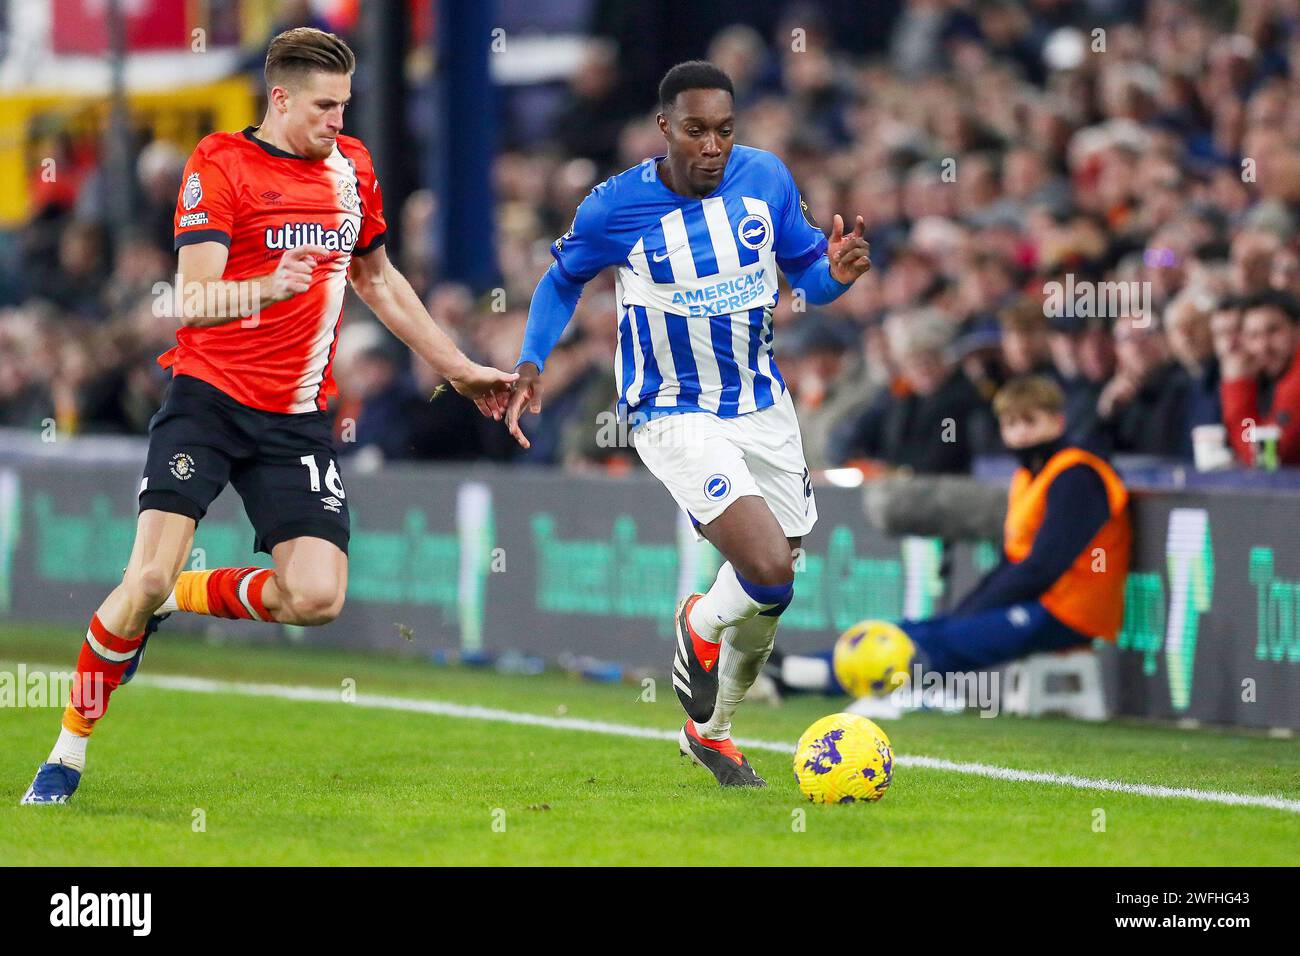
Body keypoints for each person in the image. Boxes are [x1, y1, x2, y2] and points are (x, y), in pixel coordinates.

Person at [21, 28, 516, 805]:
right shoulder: (219, 163)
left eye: (345, 106)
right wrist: (264, 288)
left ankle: (180, 596)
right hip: (208, 400)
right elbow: (189, 299)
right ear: (279, 98)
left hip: (294, 419)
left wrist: (454, 366)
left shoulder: (352, 167)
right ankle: (68, 750)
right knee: (139, 573)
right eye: (324, 106)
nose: (336, 122)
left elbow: (378, 279)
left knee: (316, 598)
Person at [504, 62, 871, 786]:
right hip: (672, 408)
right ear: (665, 127)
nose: (713, 146)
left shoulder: (765, 178)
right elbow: (561, 280)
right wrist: (531, 360)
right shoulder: (615, 208)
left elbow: (808, 276)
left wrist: (839, 274)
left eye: (725, 131)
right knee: (764, 565)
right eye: (697, 130)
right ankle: (698, 625)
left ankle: (713, 733)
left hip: (762, 403)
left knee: (776, 585)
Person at [779, 375, 1131, 693]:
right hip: (1039, 600)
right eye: (1011, 424)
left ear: (1058, 422)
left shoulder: (1077, 476)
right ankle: (799, 671)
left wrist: (979, 609)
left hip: (1071, 611)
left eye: (1030, 421)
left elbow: (1044, 566)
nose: (1020, 433)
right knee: (924, 628)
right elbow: (1015, 560)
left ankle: (810, 675)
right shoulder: (1028, 477)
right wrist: (972, 606)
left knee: (947, 639)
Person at [1220, 290, 1300, 466]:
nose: (1264, 346)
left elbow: (1265, 456)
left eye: (1273, 331)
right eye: (1254, 336)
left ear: (1297, 329)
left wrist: (1237, 385)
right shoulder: (1266, 377)